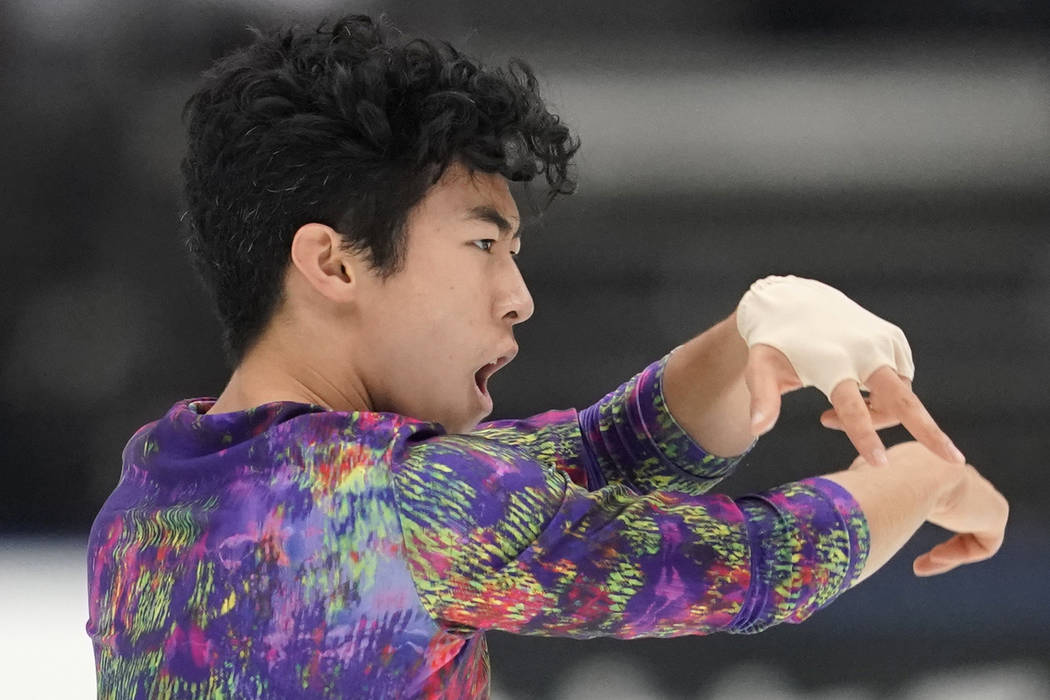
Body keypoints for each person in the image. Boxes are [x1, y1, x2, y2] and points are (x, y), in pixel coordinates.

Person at [85, 15, 1008, 699]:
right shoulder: (411, 509)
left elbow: (597, 460)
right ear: (334, 262)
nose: (518, 296)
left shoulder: (146, 499)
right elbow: (756, 564)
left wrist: (750, 331)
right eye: (485, 245)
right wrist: (925, 473)